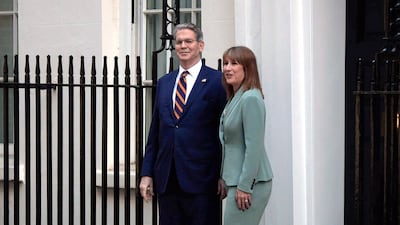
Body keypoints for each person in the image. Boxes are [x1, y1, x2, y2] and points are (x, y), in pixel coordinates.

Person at [139, 23, 227, 225]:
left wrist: (224, 175)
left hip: (203, 181)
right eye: (178, 42)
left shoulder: (217, 81)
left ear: (200, 45)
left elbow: (226, 134)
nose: (183, 46)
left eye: (189, 41)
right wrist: (146, 173)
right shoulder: (165, 82)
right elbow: (155, 133)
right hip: (167, 180)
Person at [219, 46, 273, 225]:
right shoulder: (235, 97)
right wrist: (224, 177)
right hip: (237, 182)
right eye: (225, 63)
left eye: (234, 63)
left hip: (250, 184)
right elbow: (230, 144)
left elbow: (254, 147)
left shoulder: (250, 98)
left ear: (247, 69)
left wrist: (245, 186)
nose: (227, 68)